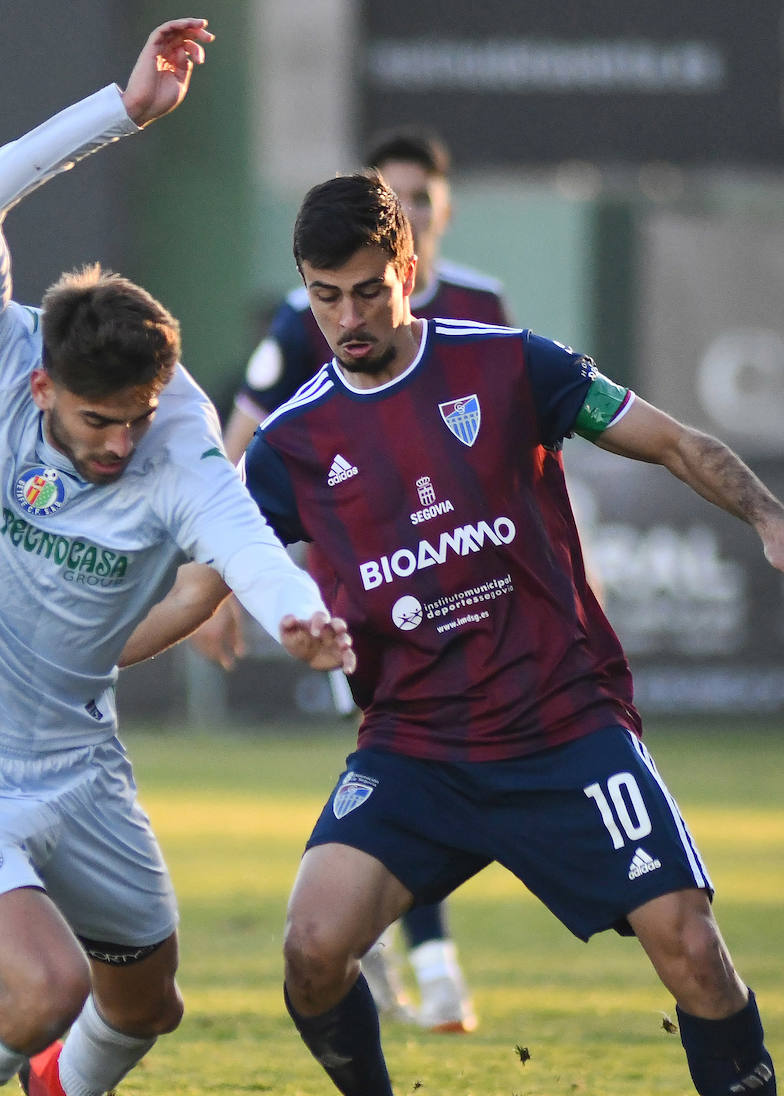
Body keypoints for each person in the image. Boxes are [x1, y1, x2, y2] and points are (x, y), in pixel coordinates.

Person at [234, 173, 784, 1096]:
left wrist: (769, 517)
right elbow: (219, 574)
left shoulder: (507, 365)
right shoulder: (289, 445)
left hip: (562, 728)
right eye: (321, 297)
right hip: (414, 749)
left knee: (691, 949)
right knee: (309, 949)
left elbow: (671, 441)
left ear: (405, 270)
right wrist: (120, 641)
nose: (343, 320)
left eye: (362, 292)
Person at [0, 19, 353, 1096]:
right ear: (41, 384)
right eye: (96, 419)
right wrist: (120, 115)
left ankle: (64, 1095)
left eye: (136, 417)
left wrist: (294, 609)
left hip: (76, 763)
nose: (119, 441)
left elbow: (234, 529)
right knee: (43, 985)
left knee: (144, 1008)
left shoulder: (174, 431)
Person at [209, 128, 510, 1034]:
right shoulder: (312, 317)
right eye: (395, 193)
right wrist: (219, 569)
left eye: (420, 197)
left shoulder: (484, 308)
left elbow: (533, 443)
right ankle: (428, 957)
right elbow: (245, 430)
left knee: (462, 754)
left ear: (435, 215)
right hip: (370, 585)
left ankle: (395, 941)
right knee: (411, 746)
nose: (408, 208)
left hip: (482, 578)